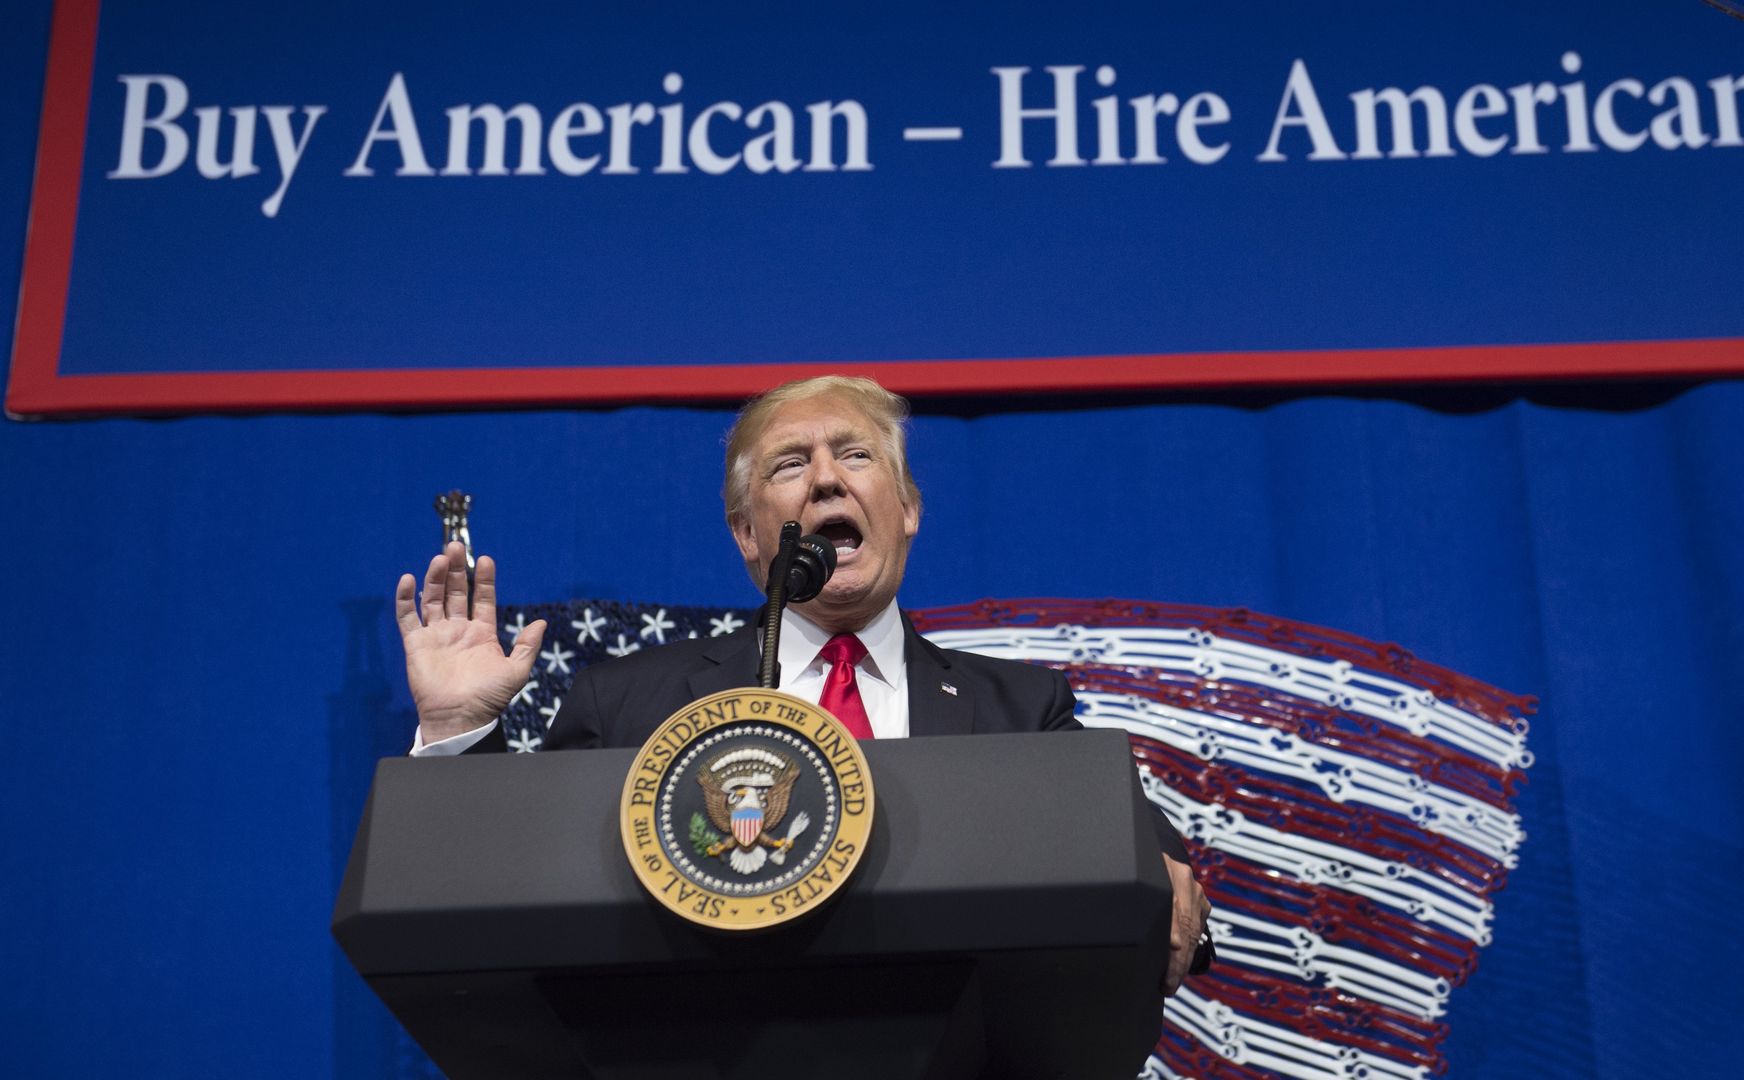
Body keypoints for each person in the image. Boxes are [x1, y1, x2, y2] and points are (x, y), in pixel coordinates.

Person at [393, 375, 1212, 993]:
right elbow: (509, 887)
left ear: (908, 508)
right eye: (792, 463)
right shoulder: (625, 705)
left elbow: (1134, 854)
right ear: (747, 535)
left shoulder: (1023, 711)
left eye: (855, 455)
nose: (827, 480)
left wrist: (1157, 872)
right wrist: (460, 732)